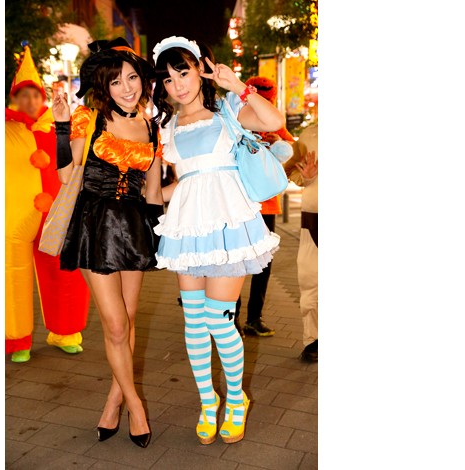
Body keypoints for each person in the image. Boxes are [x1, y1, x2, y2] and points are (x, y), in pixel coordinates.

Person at [151, 36, 284, 445]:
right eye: (168, 78)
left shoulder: (227, 110)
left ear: (200, 69)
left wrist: (237, 85)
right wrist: (144, 185)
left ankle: (236, 400)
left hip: (228, 227)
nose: (178, 84)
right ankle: (208, 402)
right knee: (193, 322)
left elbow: (272, 121)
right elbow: (178, 186)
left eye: (183, 72)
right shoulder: (166, 127)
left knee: (218, 319)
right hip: (190, 230)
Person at [51, 37, 163, 448]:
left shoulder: (151, 127)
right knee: (115, 325)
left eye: (132, 78)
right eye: (116, 82)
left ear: (143, 80)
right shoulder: (89, 118)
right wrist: (61, 125)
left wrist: (163, 234)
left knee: (128, 320)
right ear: (105, 85)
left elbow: (153, 191)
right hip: (95, 224)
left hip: (134, 226)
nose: (126, 88)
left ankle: (113, 402)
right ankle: (135, 405)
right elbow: (67, 175)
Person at [5, 42, 90, 362]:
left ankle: (65, 332)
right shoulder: (2, 129)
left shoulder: (57, 127)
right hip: (13, 217)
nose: (29, 101)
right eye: (23, 95)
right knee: (12, 276)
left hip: (55, 214)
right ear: (14, 98)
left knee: (64, 273)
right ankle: (17, 341)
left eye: (34, 94)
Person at [233, 76, 296, 339]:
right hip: (239, 202)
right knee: (235, 261)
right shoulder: (236, 116)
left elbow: (292, 152)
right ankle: (231, 319)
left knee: (263, 264)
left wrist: (277, 143)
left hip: (267, 205)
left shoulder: (273, 122)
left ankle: (254, 318)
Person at [284, 123, 318, 362]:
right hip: (314, 217)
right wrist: (306, 177)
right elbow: (291, 169)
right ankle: (313, 338)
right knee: (310, 281)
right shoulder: (310, 134)